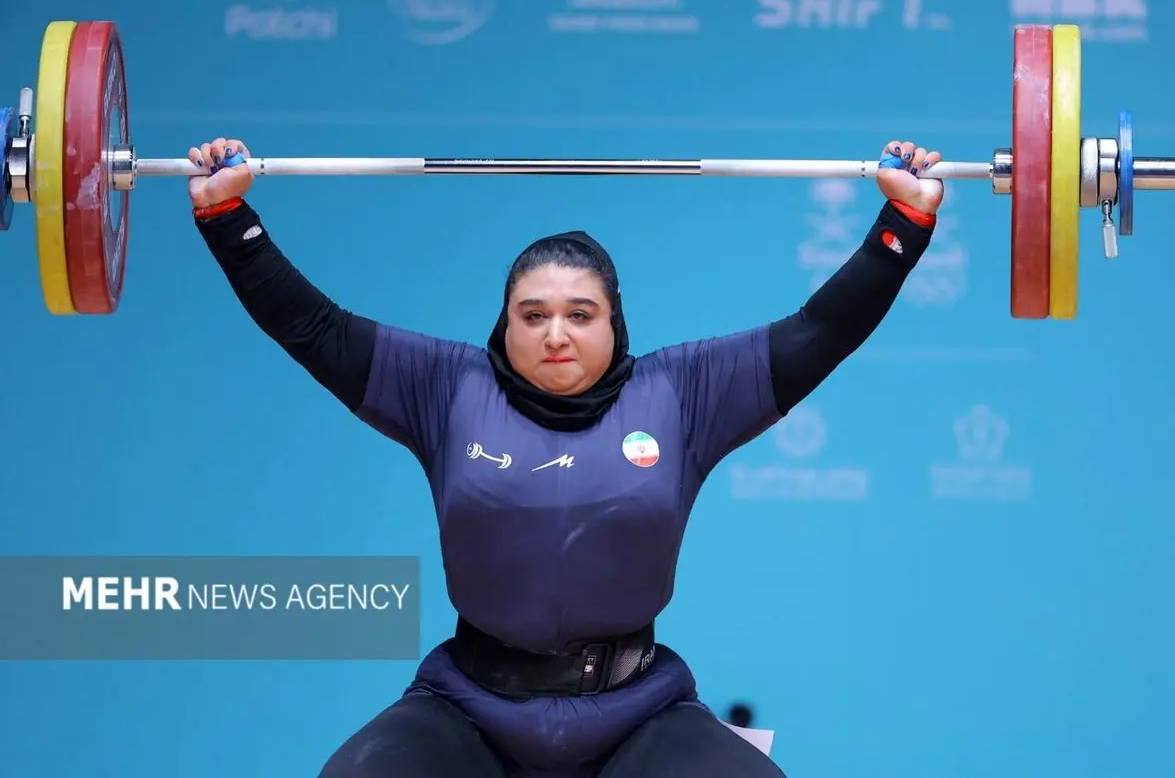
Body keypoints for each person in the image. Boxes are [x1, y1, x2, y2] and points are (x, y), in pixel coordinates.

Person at [188, 136, 945, 778]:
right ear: (505, 324)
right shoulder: (444, 386)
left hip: (639, 713)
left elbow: (820, 330)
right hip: (468, 708)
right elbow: (313, 326)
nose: (556, 334)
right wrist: (228, 217)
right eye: (534, 315)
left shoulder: (684, 392)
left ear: (614, 323)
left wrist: (902, 223)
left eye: (580, 314)